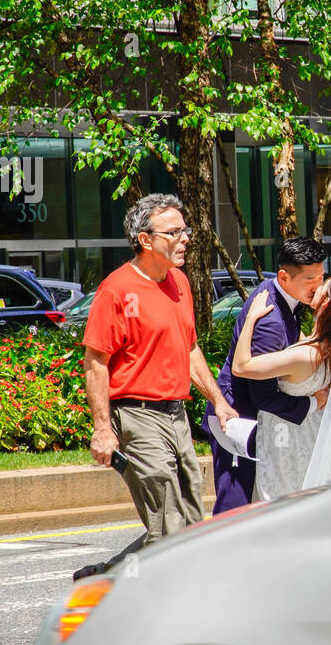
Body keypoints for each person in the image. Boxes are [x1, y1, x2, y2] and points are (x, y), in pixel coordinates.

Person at [73, 194, 225, 580]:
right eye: (174, 232)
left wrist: (219, 402)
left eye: (185, 230)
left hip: (176, 416)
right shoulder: (116, 290)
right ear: (145, 239)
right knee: (168, 524)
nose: (185, 238)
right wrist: (103, 430)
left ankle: (104, 578)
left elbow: (189, 348)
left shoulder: (179, 282)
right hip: (138, 418)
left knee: (190, 525)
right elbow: (96, 364)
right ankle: (159, 607)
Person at [206, 237, 329, 514]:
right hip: (238, 418)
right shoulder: (270, 321)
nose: (318, 286)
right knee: (235, 505)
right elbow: (262, 396)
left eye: (321, 277)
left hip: (254, 420)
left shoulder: (281, 294)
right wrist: (313, 403)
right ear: (284, 277)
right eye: (310, 279)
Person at [230, 271, 331, 500]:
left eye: (324, 283)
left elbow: (241, 366)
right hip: (308, 440)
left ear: (326, 302)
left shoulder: (307, 355)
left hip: (286, 446)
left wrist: (250, 318)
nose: (318, 284)